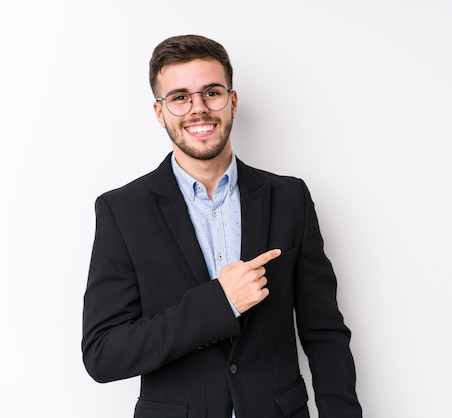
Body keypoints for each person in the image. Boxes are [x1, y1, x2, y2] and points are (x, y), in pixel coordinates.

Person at [81, 34, 362, 418]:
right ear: (160, 112)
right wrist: (220, 303)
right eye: (180, 97)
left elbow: (324, 332)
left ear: (232, 101)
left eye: (211, 92)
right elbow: (103, 354)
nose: (198, 109)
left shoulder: (289, 198)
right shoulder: (122, 211)